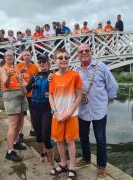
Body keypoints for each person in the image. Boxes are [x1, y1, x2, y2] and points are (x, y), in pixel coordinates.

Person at [75, 43, 118, 179]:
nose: (84, 53)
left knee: (100, 138)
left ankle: (101, 166)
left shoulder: (101, 67)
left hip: (99, 109)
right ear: (78, 55)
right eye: (81, 51)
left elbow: (112, 85)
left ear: (91, 52)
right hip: (82, 110)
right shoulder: (75, 70)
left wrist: (107, 101)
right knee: (83, 136)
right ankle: (86, 158)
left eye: (86, 50)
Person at [49, 48, 83, 180]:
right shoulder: (52, 77)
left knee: (70, 141)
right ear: (55, 61)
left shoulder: (74, 75)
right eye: (60, 58)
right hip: (57, 115)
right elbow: (50, 95)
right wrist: (55, 112)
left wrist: (69, 113)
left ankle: (72, 167)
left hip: (71, 115)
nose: (64, 60)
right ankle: (63, 164)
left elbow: (79, 96)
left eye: (66, 58)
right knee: (59, 141)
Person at [25, 54, 54, 171]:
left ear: (48, 63)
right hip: (34, 109)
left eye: (44, 61)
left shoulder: (52, 76)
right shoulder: (34, 77)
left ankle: (52, 162)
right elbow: (25, 91)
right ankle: (42, 154)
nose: (42, 63)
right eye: (40, 62)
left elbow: (58, 91)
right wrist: (21, 83)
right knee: (38, 136)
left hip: (47, 109)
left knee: (46, 136)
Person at [0, 51, 28, 162]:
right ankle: (9, 151)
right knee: (13, 124)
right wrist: (9, 76)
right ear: (4, 57)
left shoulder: (16, 68)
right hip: (11, 96)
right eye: (8, 56)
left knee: (20, 122)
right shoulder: (3, 69)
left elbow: (22, 82)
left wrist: (21, 76)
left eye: (12, 55)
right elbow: (5, 84)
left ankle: (15, 143)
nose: (10, 57)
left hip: (20, 95)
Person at [15, 50, 38, 137]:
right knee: (22, 114)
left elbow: (36, 80)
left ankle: (32, 129)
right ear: (22, 57)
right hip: (22, 93)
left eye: (28, 55)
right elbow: (17, 78)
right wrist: (21, 73)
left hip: (32, 93)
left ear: (31, 56)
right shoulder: (18, 66)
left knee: (33, 112)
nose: (27, 57)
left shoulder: (35, 67)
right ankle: (20, 132)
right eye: (25, 55)